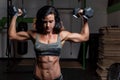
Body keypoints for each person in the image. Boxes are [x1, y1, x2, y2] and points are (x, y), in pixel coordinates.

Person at [8, 5, 89, 80]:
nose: (47, 25)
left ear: (55, 21)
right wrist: (15, 15)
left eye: (51, 21)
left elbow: (84, 37)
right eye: (45, 22)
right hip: (38, 78)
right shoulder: (34, 35)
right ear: (41, 21)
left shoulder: (61, 35)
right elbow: (12, 35)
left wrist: (85, 18)